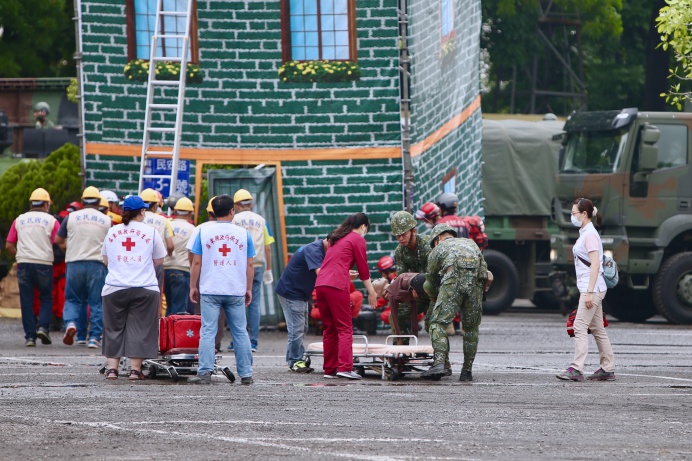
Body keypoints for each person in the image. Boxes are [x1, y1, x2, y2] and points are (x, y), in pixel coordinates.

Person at [188, 195, 255, 385]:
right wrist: (248, 288)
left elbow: (197, 261)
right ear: (232, 211)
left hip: (211, 288)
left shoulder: (203, 232)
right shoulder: (244, 234)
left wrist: (193, 286)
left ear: (212, 212)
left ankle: (205, 372)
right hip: (235, 288)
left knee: (208, 330)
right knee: (240, 331)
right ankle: (246, 374)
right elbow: (250, 265)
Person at [101, 196, 167, 380]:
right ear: (141, 212)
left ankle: (112, 369)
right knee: (141, 328)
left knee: (113, 328)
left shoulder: (112, 231)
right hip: (145, 287)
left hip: (114, 287)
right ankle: (135, 371)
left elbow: (105, 259)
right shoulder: (151, 232)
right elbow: (160, 259)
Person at [421, 224, 493, 381]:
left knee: (437, 323)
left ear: (438, 239)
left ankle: (440, 364)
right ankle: (467, 371)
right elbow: (485, 273)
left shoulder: (438, 249)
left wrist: (435, 297)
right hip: (475, 285)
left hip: (452, 283)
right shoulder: (471, 244)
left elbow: (429, 282)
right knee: (471, 328)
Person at [556, 198, 615, 382]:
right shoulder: (586, 233)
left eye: (574, 213)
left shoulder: (589, 235)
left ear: (584, 214)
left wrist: (589, 292)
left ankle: (576, 368)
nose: (572, 216)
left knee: (579, 326)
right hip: (594, 287)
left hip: (593, 288)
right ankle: (608, 368)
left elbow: (595, 264)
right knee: (597, 329)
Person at [314, 213, 377, 380]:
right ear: (363, 226)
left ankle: (330, 369)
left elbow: (335, 263)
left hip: (321, 284)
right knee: (344, 327)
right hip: (336, 286)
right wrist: (371, 291)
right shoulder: (357, 239)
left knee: (329, 329)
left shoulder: (338, 238)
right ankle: (345, 367)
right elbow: (364, 269)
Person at [56, 186, 111, 349]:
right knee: (96, 302)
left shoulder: (71, 217)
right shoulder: (106, 220)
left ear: (82, 201)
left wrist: (69, 248)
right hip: (97, 265)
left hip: (74, 263)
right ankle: (94, 338)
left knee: (74, 299)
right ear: (99, 202)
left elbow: (59, 240)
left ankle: (75, 327)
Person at [6, 188, 60, 346]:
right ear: (46, 204)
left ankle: (30, 337)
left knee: (27, 301)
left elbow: (9, 244)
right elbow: (60, 241)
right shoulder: (51, 220)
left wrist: (18, 256)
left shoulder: (19, 219)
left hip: (23, 263)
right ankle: (43, 327)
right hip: (44, 263)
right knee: (46, 297)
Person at [229, 189, 275, 353]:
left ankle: (237, 341)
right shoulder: (261, 220)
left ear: (236, 205)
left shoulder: (233, 220)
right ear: (251, 204)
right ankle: (253, 342)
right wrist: (268, 268)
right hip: (257, 265)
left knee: (236, 303)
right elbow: (267, 247)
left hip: (238, 266)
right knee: (254, 304)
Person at [275, 236, 329, 373]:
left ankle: (297, 357)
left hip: (300, 293)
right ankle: (295, 361)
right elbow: (321, 273)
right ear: (329, 242)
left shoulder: (319, 248)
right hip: (291, 292)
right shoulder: (314, 250)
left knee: (301, 327)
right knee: (296, 329)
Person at [391, 211, 431, 338]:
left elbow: (433, 275)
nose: (400, 239)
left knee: (432, 324)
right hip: (417, 294)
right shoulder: (400, 251)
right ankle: (401, 353)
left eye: (403, 234)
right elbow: (401, 278)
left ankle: (440, 356)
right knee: (395, 315)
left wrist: (417, 286)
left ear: (413, 231)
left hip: (435, 293)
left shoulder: (428, 246)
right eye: (397, 236)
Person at [163, 197, 195, 316]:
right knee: (179, 308)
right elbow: (192, 252)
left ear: (175, 212)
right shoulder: (193, 230)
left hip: (165, 269)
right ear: (190, 213)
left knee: (168, 306)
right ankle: (174, 335)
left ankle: (165, 334)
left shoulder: (167, 224)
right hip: (182, 270)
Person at [139, 188, 174, 291]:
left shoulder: (136, 218)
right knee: (155, 293)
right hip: (156, 263)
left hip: (138, 260)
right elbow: (170, 245)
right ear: (155, 205)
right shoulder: (164, 220)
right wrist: (169, 255)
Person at [383, 273, 428, 338]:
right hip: (418, 287)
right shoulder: (397, 281)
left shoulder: (395, 287)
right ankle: (401, 344)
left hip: (422, 285)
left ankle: (401, 342)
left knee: (434, 324)